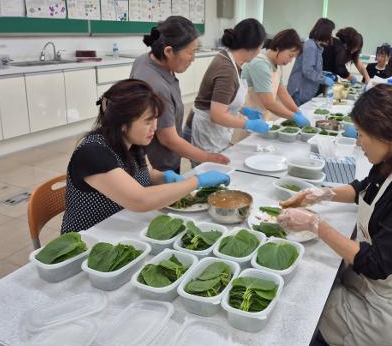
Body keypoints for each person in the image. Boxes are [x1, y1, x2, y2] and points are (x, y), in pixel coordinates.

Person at [278, 84, 392, 346]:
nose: (358, 141)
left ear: (386, 135)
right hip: (365, 285)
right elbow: (363, 190)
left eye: (362, 134)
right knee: (307, 285)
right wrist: (319, 194)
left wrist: (315, 223)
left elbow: (376, 264)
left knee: (299, 316)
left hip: (383, 311)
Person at [61, 79, 231, 233]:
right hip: (86, 242)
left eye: (155, 119)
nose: (154, 127)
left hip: (120, 227)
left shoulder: (132, 143)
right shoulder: (93, 153)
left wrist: (164, 177)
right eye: (148, 121)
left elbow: (148, 174)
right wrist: (196, 181)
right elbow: (140, 200)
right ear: (122, 123)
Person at [130, 16, 229, 173]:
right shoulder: (157, 86)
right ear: (168, 51)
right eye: (190, 53)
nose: (193, 59)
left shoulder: (144, 59)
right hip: (159, 166)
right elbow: (168, 139)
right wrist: (207, 157)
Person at [187, 18, 269, 155]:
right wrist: (248, 124)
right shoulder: (227, 69)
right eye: (260, 47)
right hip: (206, 131)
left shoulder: (230, 58)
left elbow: (224, 97)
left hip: (212, 130)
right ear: (253, 47)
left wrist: (243, 110)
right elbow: (217, 115)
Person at [241, 29, 310, 126]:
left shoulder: (276, 64)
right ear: (278, 48)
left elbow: (282, 92)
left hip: (259, 118)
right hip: (244, 119)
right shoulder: (260, 64)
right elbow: (269, 103)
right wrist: (293, 116)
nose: (290, 61)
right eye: (290, 56)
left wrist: (297, 111)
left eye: (293, 57)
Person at [287, 18, 336, 106]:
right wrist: (324, 79)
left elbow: (313, 68)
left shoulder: (316, 47)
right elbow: (308, 71)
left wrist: (323, 74)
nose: (331, 36)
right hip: (299, 91)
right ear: (325, 32)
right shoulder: (311, 46)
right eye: (330, 32)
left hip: (306, 90)